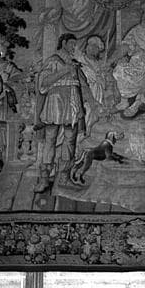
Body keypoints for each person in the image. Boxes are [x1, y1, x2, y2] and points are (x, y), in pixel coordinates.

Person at [34, 33, 98, 193]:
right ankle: (44, 178)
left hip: (72, 105)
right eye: (71, 44)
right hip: (55, 104)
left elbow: (83, 86)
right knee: (50, 139)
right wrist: (64, 70)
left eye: (75, 44)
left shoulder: (74, 64)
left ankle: (64, 177)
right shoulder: (53, 61)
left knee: (70, 141)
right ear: (63, 43)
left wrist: (94, 104)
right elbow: (43, 83)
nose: (73, 47)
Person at [113, 7, 145, 117]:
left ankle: (136, 104)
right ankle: (124, 101)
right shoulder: (135, 31)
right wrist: (115, 58)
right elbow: (126, 46)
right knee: (120, 68)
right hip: (136, 61)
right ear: (141, 15)